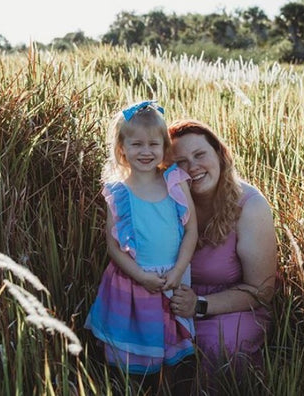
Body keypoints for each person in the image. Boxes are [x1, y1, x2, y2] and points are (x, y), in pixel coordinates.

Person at [84, 101, 198, 393]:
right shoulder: (118, 191)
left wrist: (179, 269)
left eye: (153, 144)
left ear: (164, 146)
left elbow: (191, 232)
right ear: (122, 148)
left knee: (174, 353)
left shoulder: (174, 182)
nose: (145, 152)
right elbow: (113, 246)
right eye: (136, 144)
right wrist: (140, 276)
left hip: (171, 278)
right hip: (134, 281)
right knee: (134, 354)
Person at [168, 119, 277, 388]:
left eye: (200, 154)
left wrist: (200, 306)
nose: (192, 167)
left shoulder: (250, 206)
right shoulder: (168, 201)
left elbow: (261, 291)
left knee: (221, 344)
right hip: (177, 304)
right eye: (180, 161)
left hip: (235, 306)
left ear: (220, 154)